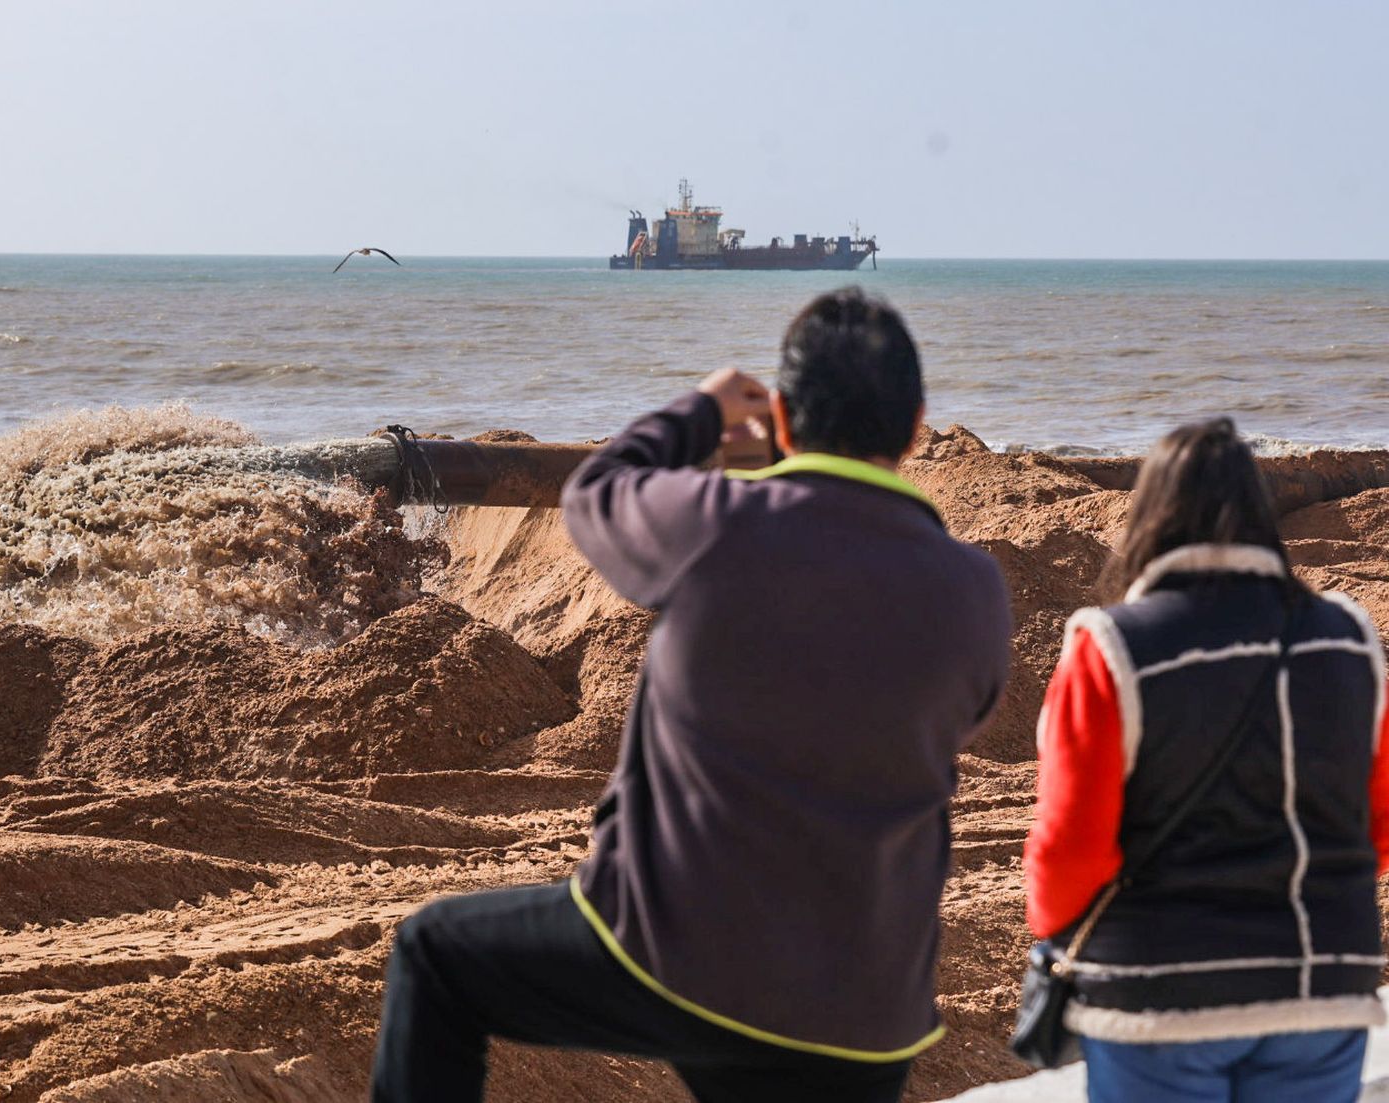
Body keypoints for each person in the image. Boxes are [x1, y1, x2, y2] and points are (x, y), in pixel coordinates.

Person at [369, 287, 1011, 1102]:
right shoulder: (974, 588)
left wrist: (700, 413)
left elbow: (596, 493)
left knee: (433, 955)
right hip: (864, 1011)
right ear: (916, 426)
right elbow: (953, 711)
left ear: (783, 420)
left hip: (678, 955)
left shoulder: (719, 525)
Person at [1024, 417, 1389, 1102]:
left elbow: (1069, 848)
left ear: (1148, 516)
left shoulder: (1109, 646)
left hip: (1159, 993)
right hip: (1321, 982)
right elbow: (1378, 827)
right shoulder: (1349, 637)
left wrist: (1056, 935)